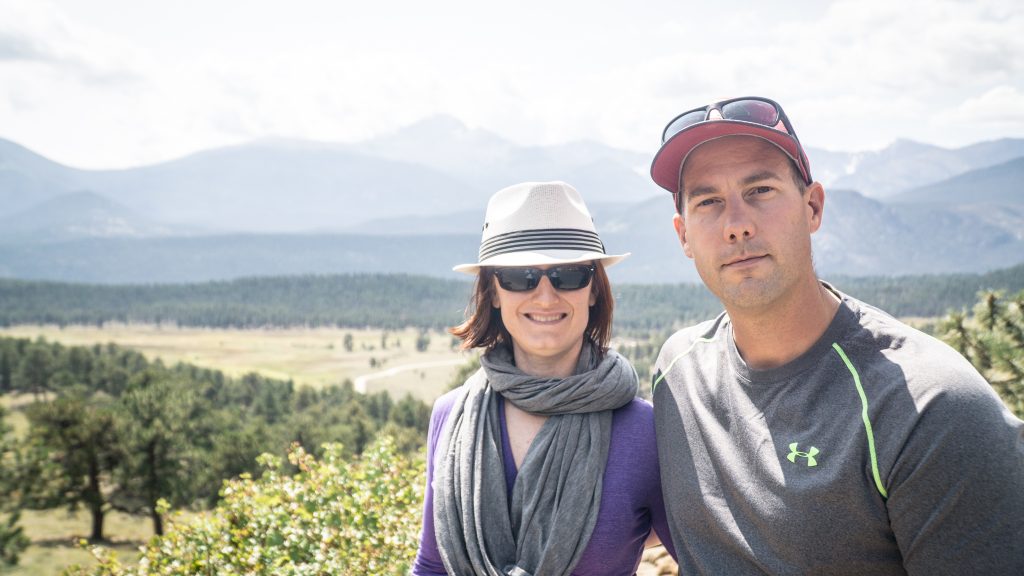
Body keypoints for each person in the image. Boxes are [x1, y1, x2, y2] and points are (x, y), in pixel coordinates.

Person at [647, 96, 1024, 575]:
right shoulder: (678, 373)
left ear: (813, 207)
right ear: (683, 235)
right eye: (708, 202)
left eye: (760, 190)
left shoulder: (930, 407)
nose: (737, 225)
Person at [412, 181, 673, 576]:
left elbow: (705, 558)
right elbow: (431, 566)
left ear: (593, 290)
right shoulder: (449, 417)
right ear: (494, 291)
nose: (546, 296)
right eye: (521, 276)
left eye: (569, 275)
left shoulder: (645, 432)